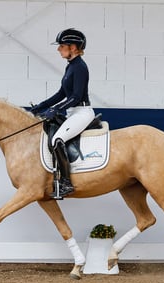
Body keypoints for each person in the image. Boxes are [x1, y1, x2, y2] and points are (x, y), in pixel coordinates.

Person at [31, 28, 95, 199]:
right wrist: (41, 106)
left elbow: (76, 96)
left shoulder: (80, 67)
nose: (58, 49)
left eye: (61, 46)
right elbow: (62, 93)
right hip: (73, 112)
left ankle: (66, 182)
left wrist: (56, 109)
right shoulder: (71, 67)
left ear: (73, 47)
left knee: (57, 140)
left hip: (82, 112)